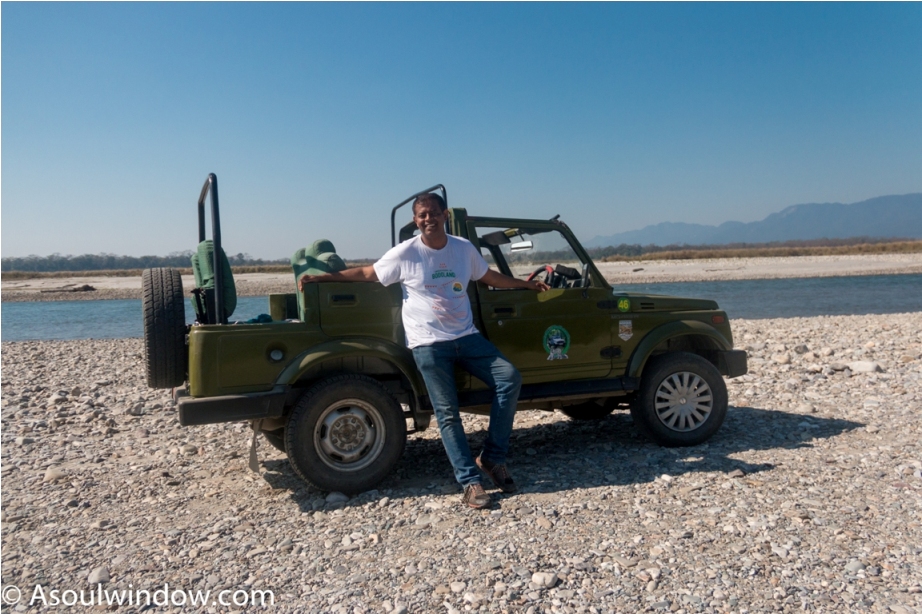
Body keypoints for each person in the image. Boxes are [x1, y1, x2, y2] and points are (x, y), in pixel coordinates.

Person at [298, 192, 548, 508]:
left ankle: (492, 459)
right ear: (416, 221)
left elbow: (487, 276)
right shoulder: (406, 253)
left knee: (509, 378)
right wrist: (322, 278)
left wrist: (527, 285)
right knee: (447, 412)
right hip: (428, 343)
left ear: (444, 215)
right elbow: (366, 273)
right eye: (421, 216)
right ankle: (470, 483)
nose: (427, 219)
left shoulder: (463, 248)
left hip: (466, 337)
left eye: (432, 213)